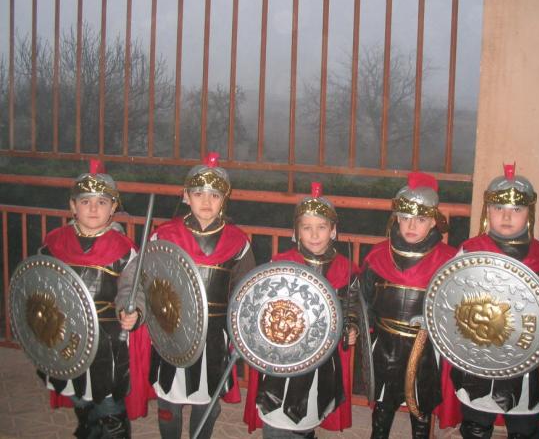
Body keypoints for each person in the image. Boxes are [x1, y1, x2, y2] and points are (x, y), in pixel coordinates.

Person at [451, 163, 539, 439]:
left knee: (523, 429)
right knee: (476, 424)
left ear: (529, 213)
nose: (506, 216)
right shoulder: (469, 252)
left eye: (516, 209)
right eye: (498, 208)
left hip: (527, 360)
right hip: (479, 357)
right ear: (488, 211)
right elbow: (451, 304)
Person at [38, 159, 151, 438]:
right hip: (64, 335)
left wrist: (133, 310)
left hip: (107, 340)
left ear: (113, 208)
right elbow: (38, 286)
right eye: (85, 201)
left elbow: (132, 288)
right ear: (73, 206)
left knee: (108, 404)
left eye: (101, 202)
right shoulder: (54, 243)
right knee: (79, 397)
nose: (93, 208)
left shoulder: (123, 249)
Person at [149, 152, 256, 439]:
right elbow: (147, 282)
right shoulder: (164, 235)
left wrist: (241, 332)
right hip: (171, 331)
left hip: (215, 335)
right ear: (186, 196)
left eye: (214, 195)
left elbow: (246, 292)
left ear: (224, 200)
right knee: (168, 400)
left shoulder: (238, 242)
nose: (206, 202)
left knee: (206, 400)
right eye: (198, 194)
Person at [243, 182, 358, 438]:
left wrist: (351, 327)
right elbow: (260, 307)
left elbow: (352, 307)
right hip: (281, 354)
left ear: (333, 230)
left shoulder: (346, 269)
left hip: (322, 358)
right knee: (276, 416)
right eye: (307, 228)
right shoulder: (280, 264)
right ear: (297, 231)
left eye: (321, 227)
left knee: (309, 412)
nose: (314, 235)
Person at [359, 172, 457, 439]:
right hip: (385, 345)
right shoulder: (377, 256)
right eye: (405, 217)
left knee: (420, 410)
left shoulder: (449, 261)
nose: (412, 225)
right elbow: (363, 301)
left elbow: (457, 310)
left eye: (421, 219)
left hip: (425, 349)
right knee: (382, 408)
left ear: (434, 221)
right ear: (396, 218)